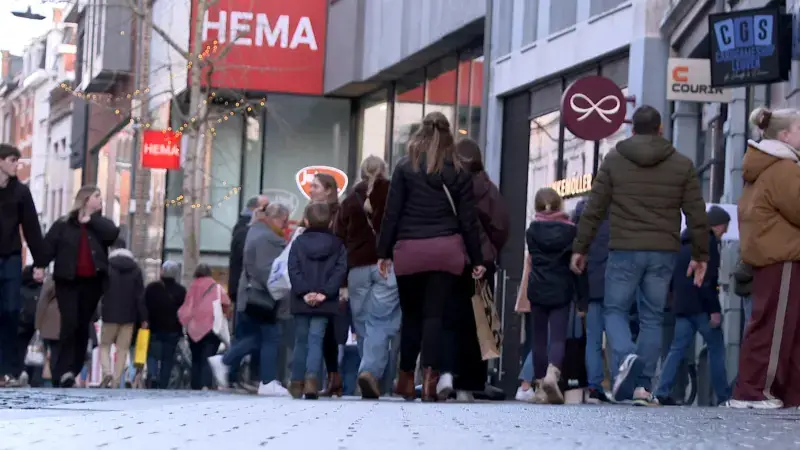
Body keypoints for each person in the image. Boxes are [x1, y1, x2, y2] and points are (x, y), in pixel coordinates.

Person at [570, 105, 709, 406]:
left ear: (632, 129)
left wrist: (580, 248)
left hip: (624, 250)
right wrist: (701, 255)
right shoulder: (681, 164)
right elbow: (696, 213)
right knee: (652, 317)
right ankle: (643, 387)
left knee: (614, 310)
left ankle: (625, 354)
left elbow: (594, 208)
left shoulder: (615, 160)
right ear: (661, 129)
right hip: (663, 252)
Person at [376, 111, 485, 402]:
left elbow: (392, 214)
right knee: (435, 316)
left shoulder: (404, 167)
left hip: (410, 251)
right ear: (449, 135)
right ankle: (430, 379)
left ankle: (406, 379)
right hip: (446, 251)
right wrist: (477, 259)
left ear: (419, 132)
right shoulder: (459, 170)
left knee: (411, 316)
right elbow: (468, 220)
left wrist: (383, 253)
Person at [728, 107, 800, 409]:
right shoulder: (785, 168)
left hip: (774, 254)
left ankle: (789, 393)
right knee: (775, 327)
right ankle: (755, 391)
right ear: (785, 135)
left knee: (788, 330)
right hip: (782, 255)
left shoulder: (766, 165)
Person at [208, 203, 293, 396]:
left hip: (252, 295)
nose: (285, 225)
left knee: (259, 337)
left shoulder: (256, 232)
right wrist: (281, 287)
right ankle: (257, 376)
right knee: (269, 336)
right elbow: (266, 270)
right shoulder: (267, 237)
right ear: (272, 218)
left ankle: (229, 362)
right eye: (283, 220)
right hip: (263, 297)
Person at [41, 185, 120, 388]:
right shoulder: (64, 225)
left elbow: (112, 234)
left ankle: (73, 368)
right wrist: (39, 265)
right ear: (85, 200)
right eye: (97, 196)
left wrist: (92, 220)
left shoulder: (100, 224)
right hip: (67, 281)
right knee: (70, 323)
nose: (100, 199)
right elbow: (48, 247)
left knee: (82, 325)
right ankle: (64, 371)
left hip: (92, 283)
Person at [334, 155, 399, 399]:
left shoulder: (349, 201)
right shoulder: (393, 195)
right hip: (386, 266)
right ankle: (370, 372)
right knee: (380, 323)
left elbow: (338, 241)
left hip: (357, 269)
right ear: (385, 170)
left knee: (362, 325)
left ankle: (368, 374)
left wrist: (341, 282)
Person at [656, 206, 730, 406]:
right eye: (725, 227)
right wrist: (714, 309)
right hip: (702, 307)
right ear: (719, 225)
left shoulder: (682, 243)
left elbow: (672, 277)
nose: (725, 232)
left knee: (676, 349)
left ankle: (661, 390)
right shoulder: (709, 243)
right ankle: (724, 396)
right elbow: (708, 279)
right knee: (716, 347)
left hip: (682, 306)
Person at [453, 138, 509, 401]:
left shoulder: (449, 186)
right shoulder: (488, 189)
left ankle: (450, 377)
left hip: (454, 258)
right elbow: (500, 226)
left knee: (453, 320)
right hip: (483, 261)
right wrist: (491, 251)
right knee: (482, 321)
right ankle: (475, 380)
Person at [525, 188, 587, 404]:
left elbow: (533, 258)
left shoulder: (532, 231)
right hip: (561, 288)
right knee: (558, 337)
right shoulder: (571, 231)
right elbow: (576, 266)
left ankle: (541, 386)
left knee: (539, 339)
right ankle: (553, 373)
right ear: (560, 205)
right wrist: (581, 299)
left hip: (537, 288)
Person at [287, 202, 348, 400]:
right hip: (325, 302)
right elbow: (340, 270)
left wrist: (304, 292)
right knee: (316, 340)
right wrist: (325, 293)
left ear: (306, 221)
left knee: (300, 340)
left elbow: (293, 269)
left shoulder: (298, 243)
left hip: (301, 301)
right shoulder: (338, 245)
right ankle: (312, 381)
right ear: (331, 221)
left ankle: (296, 381)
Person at [0, 144, 47, 387]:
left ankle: (7, 370)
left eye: (17, 160)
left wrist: (40, 261)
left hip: (10, 257)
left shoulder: (21, 192)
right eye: (11, 159)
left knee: (9, 311)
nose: (16, 164)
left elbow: (31, 226)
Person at [308, 172, 347, 397]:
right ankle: (332, 378)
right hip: (316, 278)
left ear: (329, 190)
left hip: (332, 278)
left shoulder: (337, 214)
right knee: (323, 331)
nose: (312, 190)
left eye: (316, 186)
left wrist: (342, 283)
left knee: (330, 329)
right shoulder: (311, 211)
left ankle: (334, 378)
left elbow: (342, 245)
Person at [571, 198, 612, 403]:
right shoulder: (612, 225)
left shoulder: (579, 233)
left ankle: (594, 386)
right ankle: (622, 385)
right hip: (615, 289)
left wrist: (581, 299)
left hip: (591, 290)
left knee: (593, 341)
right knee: (615, 338)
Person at [228, 195, 269, 385]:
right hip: (247, 290)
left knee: (250, 333)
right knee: (253, 334)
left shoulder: (245, 229)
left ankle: (234, 373)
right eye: (265, 208)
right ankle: (227, 364)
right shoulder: (246, 230)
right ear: (256, 210)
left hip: (246, 289)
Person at [98, 239, 146, 388]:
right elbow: (140, 296)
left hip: (109, 314)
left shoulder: (107, 267)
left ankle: (107, 373)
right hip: (129, 316)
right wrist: (143, 317)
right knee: (123, 349)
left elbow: (100, 290)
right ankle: (117, 381)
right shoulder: (136, 270)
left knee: (105, 345)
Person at [178, 264, 231, 390]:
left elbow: (186, 307)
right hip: (212, 327)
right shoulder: (216, 287)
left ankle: (195, 385)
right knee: (208, 358)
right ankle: (206, 385)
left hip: (193, 329)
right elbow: (227, 303)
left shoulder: (192, 287)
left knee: (196, 359)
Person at [145, 260, 186, 389]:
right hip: (173, 330)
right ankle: (163, 383)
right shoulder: (181, 291)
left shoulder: (152, 288)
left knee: (152, 354)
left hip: (154, 328)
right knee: (167, 359)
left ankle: (152, 376)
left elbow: (144, 306)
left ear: (162, 271)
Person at [16, 265, 44, 386]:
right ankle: (33, 377)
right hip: (34, 326)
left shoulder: (20, 288)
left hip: (23, 325)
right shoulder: (40, 289)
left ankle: (23, 372)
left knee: (23, 350)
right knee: (36, 351)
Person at [34, 276, 59, 386]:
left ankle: (51, 380)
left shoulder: (51, 280)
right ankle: (58, 377)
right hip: (66, 320)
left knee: (49, 352)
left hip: (50, 321)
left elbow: (42, 302)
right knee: (59, 352)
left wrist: (38, 325)